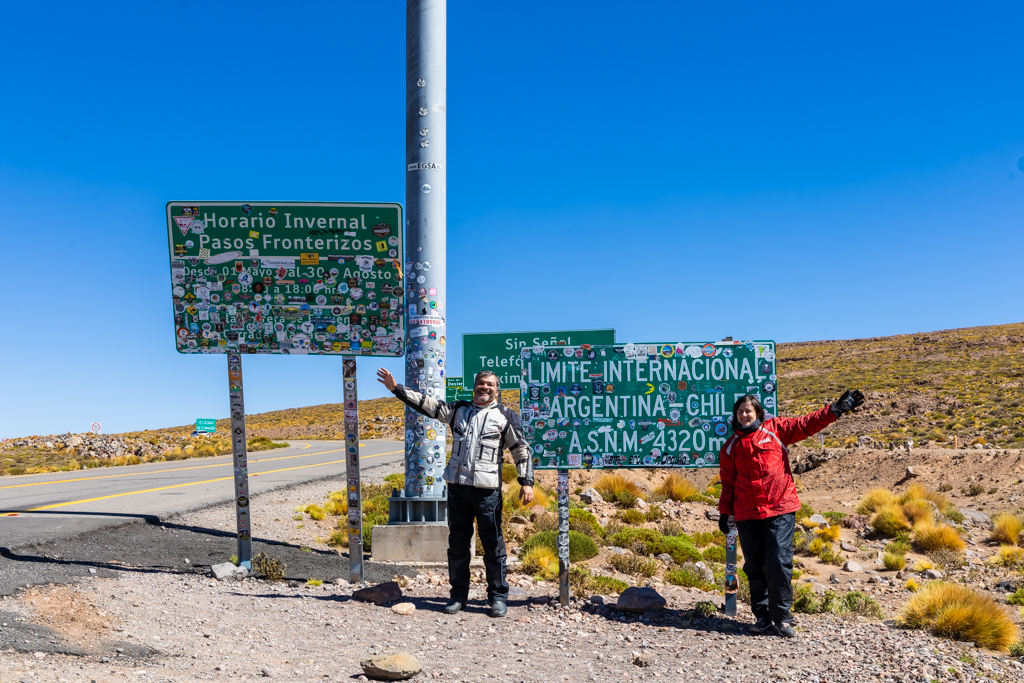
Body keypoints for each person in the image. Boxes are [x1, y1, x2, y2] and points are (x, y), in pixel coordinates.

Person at [377, 368, 533, 617]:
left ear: (497, 389)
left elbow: (521, 450)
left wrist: (526, 481)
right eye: (481, 383)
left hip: (487, 491)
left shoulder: (505, 416)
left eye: (490, 384)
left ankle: (498, 598)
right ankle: (458, 596)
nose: (485, 387)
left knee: (493, 545)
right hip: (458, 488)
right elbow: (427, 405)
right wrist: (397, 389)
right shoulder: (459, 410)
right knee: (458, 545)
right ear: (475, 386)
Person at [717, 389, 864, 638]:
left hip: (779, 508)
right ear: (735, 416)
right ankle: (762, 617)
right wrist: (725, 512)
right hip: (747, 513)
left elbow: (806, 424)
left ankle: (783, 618)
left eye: (748, 411)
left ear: (758, 414)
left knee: (777, 562)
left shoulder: (775, 430)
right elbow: (728, 482)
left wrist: (836, 410)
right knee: (754, 565)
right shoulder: (730, 446)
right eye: (740, 411)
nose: (744, 415)